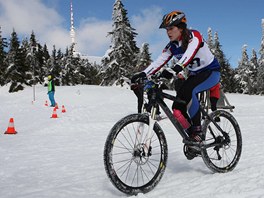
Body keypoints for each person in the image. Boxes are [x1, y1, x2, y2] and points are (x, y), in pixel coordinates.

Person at [131, 10, 220, 142]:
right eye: (167, 29)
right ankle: (192, 137)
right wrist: (144, 73)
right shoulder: (172, 46)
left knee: (190, 90)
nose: (168, 32)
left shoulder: (194, 37)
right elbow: (159, 61)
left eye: (171, 28)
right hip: (195, 75)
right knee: (177, 109)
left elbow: (189, 54)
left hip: (211, 72)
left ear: (181, 28)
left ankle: (198, 131)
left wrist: (175, 68)